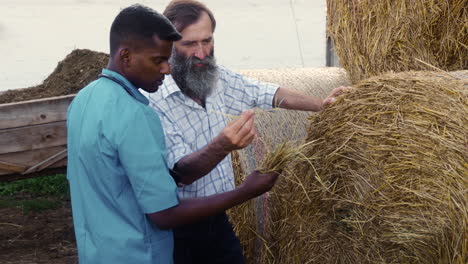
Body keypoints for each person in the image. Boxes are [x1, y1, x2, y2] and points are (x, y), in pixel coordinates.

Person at [66, 4, 279, 264]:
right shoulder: (136, 115)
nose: (167, 69)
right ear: (126, 57)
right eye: (158, 60)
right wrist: (245, 191)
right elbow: (164, 214)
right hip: (139, 254)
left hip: (97, 253)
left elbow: (115, 180)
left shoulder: (83, 100)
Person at [144, 1, 349, 263]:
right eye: (189, 44)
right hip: (176, 232)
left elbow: (269, 93)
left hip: (218, 223)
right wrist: (223, 146)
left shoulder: (218, 79)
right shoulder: (154, 101)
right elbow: (182, 173)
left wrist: (321, 105)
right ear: (168, 45)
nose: (201, 53)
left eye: (207, 41)